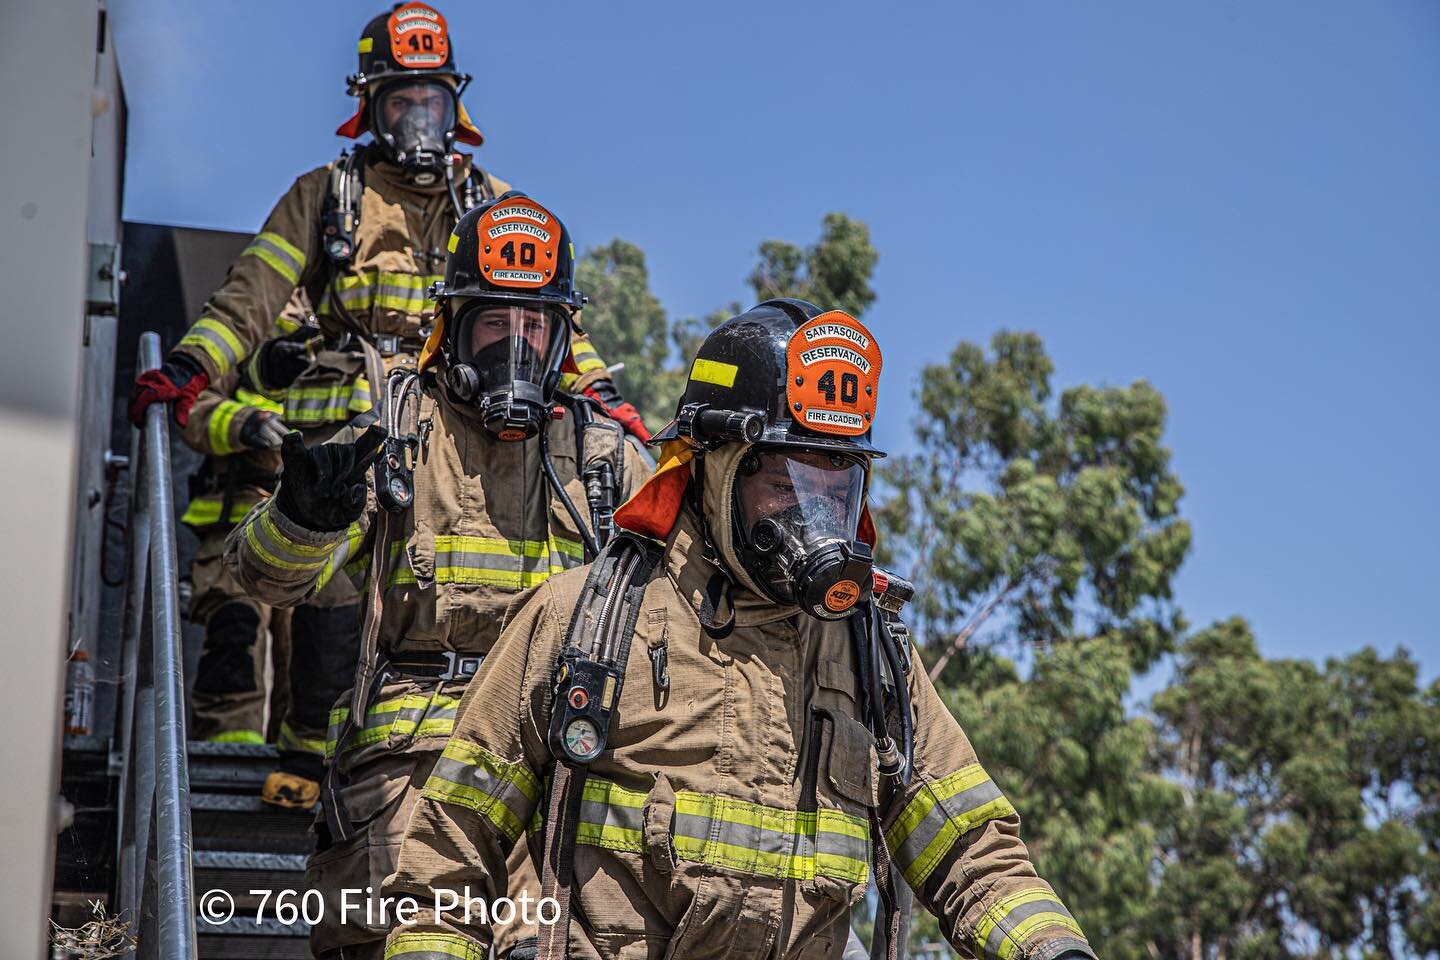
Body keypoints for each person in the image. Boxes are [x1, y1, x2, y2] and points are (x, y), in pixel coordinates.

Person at [380, 300, 1097, 960]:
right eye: (783, 484)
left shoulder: (870, 655)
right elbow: (448, 857)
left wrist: (1055, 950)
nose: (812, 522)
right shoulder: (582, 622)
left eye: (835, 489)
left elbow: (974, 854)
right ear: (711, 471)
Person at [128, 0, 647, 806]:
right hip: (348, 434)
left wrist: (610, 404)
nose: (417, 119)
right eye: (400, 100)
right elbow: (249, 300)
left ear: (456, 107)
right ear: (368, 106)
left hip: (455, 434)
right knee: (324, 590)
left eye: (431, 101)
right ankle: (311, 762)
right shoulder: (325, 195)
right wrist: (192, 370)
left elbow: (539, 322)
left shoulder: (493, 203)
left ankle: (370, 757)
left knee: (427, 596)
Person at [226, 193, 652, 960]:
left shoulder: (607, 462)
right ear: (451, 326)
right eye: (495, 324)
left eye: (535, 327)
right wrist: (303, 518)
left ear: (564, 341)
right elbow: (266, 581)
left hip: (558, 778)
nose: (514, 349)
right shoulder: (395, 435)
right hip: (407, 781)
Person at [178, 297, 363, 804]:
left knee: (309, 648)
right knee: (237, 630)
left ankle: (294, 763)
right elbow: (193, 408)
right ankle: (223, 757)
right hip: (239, 508)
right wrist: (249, 422)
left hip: (311, 524)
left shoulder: (352, 335)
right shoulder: (238, 329)